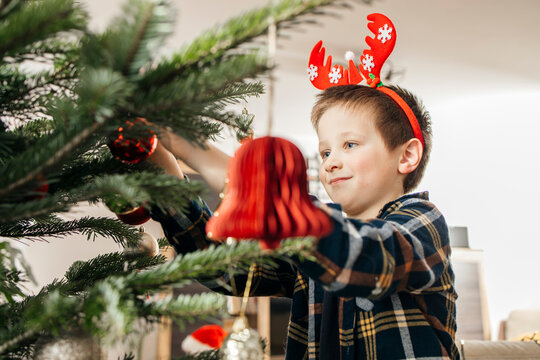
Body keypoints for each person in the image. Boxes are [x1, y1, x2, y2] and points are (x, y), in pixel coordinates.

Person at [147, 83, 459, 359]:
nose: (331, 162)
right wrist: (170, 185)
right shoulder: (307, 250)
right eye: (324, 153)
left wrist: (190, 146)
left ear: (406, 156)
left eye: (349, 144)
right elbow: (226, 269)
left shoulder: (422, 222)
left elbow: (364, 255)